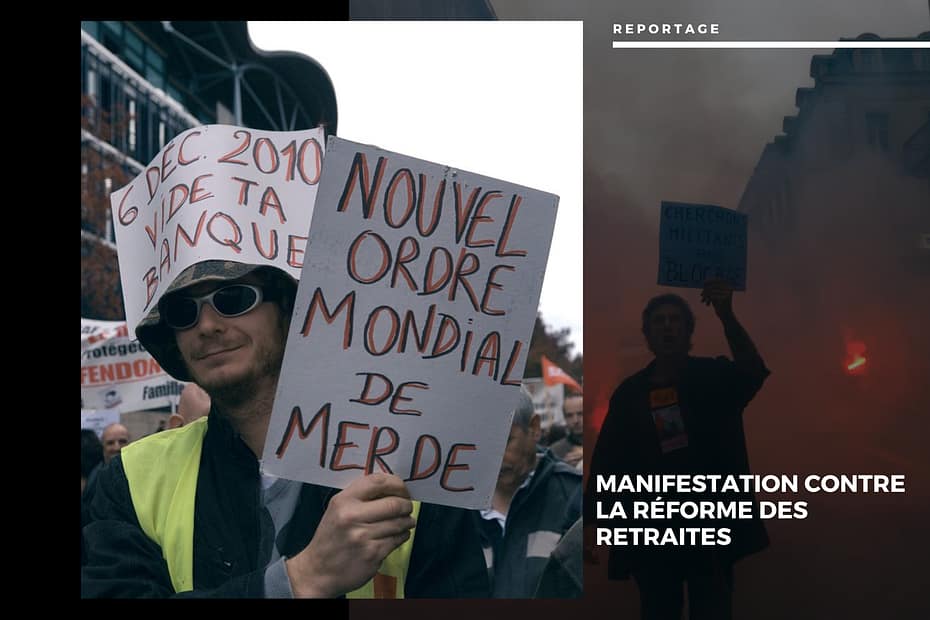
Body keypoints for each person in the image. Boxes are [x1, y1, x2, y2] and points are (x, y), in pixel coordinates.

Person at [82, 261, 488, 598]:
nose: (206, 325)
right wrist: (301, 579)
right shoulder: (130, 479)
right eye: (182, 311)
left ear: (287, 310)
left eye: (233, 298)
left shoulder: (412, 466)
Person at [586, 279, 770, 619]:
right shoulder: (630, 394)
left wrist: (727, 315)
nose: (668, 326)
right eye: (659, 321)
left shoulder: (713, 376)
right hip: (651, 533)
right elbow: (606, 461)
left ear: (688, 331)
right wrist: (590, 524)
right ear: (647, 335)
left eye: (675, 320)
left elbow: (752, 372)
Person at [474, 388, 582, 598]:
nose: (491, 457)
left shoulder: (575, 497)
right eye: (478, 444)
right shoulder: (452, 511)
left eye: (503, 441)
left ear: (534, 428)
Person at [549, 394, 583, 467]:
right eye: (569, 416)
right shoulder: (555, 451)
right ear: (564, 418)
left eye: (580, 414)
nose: (575, 420)